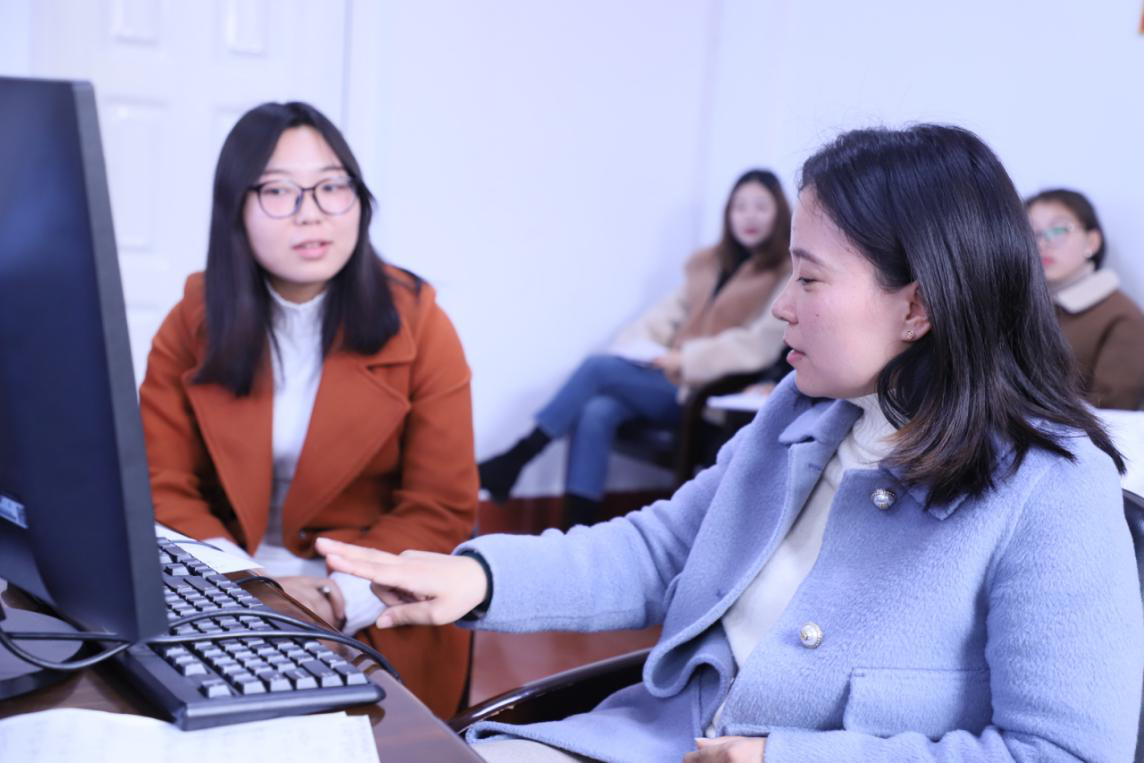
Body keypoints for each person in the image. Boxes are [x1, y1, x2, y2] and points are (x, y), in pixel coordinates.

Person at [317, 125, 1144, 762]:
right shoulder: (805, 408)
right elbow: (662, 549)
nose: (783, 305)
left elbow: (1065, 752)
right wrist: (477, 574)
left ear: (917, 307)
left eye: (809, 278)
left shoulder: (1052, 486)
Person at [138, 101, 477, 718]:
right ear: (235, 210)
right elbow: (161, 484)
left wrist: (338, 596)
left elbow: (440, 504)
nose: (312, 212)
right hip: (223, 576)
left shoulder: (422, 322)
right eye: (278, 191)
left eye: (331, 186)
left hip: (371, 593)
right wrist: (252, 587)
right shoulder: (192, 320)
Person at [479, 169, 792, 526]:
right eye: (740, 207)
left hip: (705, 392)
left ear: (779, 212)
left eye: (760, 207)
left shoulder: (785, 271)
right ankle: (575, 530)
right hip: (671, 381)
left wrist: (685, 359)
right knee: (597, 411)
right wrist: (638, 347)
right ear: (728, 214)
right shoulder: (709, 264)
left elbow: (758, 343)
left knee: (596, 369)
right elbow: (666, 314)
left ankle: (517, 458)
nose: (749, 216)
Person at [1025, 188, 1144, 409]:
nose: (1042, 243)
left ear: (1092, 242)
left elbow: (1113, 412)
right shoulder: (1020, 306)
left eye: (1058, 230)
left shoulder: (1123, 317)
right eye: (1032, 233)